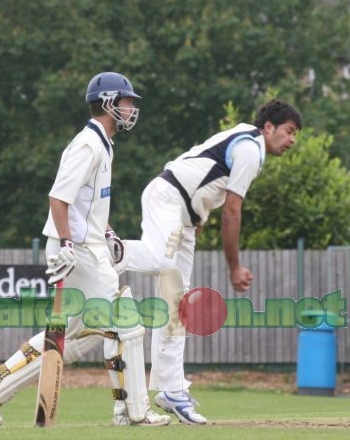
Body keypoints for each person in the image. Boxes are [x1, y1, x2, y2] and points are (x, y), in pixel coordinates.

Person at [0, 72, 169, 427]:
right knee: (128, 325)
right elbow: (58, 198)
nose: (131, 108)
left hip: (87, 246)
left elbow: (86, 205)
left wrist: (107, 232)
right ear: (109, 103)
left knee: (76, 338)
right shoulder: (87, 145)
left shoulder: (103, 144)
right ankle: (134, 410)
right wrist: (66, 243)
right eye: (127, 101)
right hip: (77, 251)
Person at [120, 99, 302, 424]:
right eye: (289, 132)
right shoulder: (250, 149)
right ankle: (110, 250)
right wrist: (234, 267)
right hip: (168, 197)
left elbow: (205, 182)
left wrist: (196, 224)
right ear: (269, 127)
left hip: (186, 215)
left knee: (177, 306)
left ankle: (171, 390)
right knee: (160, 261)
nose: (292, 140)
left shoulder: (245, 141)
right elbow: (233, 209)